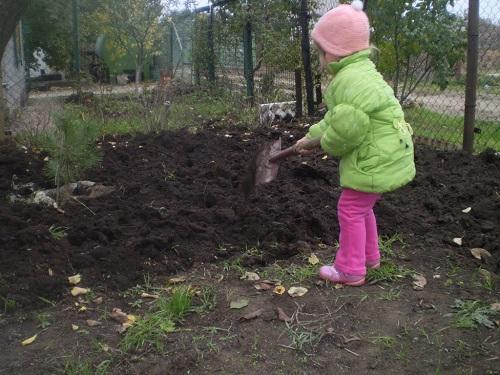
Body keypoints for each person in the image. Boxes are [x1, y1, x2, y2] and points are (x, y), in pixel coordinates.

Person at [294, 0, 416, 286]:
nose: (320, 59)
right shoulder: (361, 73)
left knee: (349, 209)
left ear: (335, 52)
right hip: (390, 150)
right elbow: (339, 117)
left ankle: (349, 269)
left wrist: (326, 144)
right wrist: (311, 137)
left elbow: (348, 128)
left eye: (321, 52)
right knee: (362, 207)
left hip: (376, 157)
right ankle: (368, 257)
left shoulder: (347, 81)